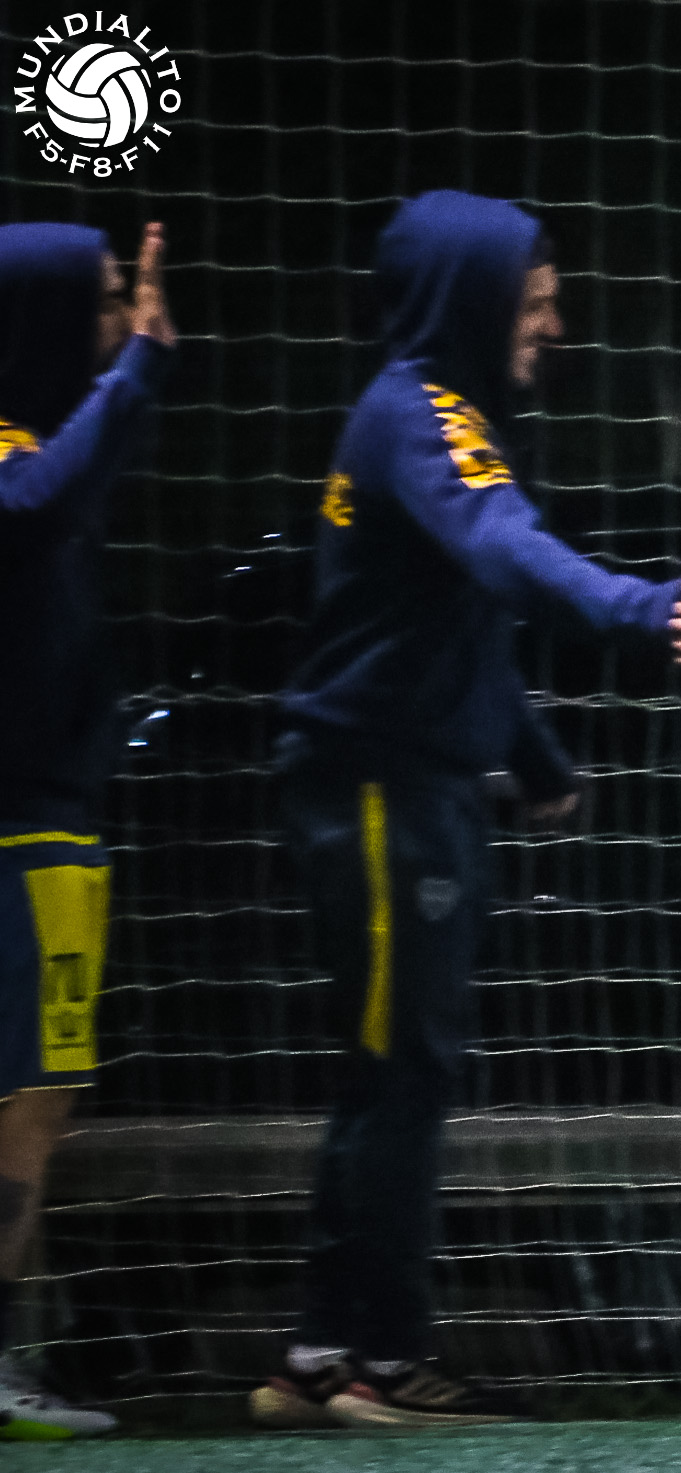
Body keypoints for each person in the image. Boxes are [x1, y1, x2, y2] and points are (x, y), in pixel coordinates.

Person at [249, 191, 681, 1431]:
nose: (550, 326)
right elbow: (505, 547)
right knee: (405, 1074)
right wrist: (629, 605)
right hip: (383, 791)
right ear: (471, 299)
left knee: (387, 1073)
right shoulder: (427, 416)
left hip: (407, 782)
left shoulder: (428, 412)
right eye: (533, 302)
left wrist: (538, 759)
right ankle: (384, 1363)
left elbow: (454, 624)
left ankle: (321, 1354)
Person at [0, 220, 175, 1440]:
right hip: (19, 831)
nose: (124, 318)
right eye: (107, 301)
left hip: (43, 820)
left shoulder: (38, 439)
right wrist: (142, 364)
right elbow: (35, 499)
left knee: (34, 1093)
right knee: (26, 1096)